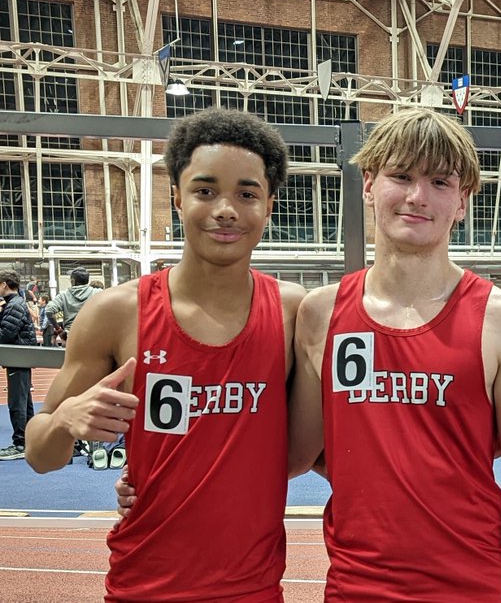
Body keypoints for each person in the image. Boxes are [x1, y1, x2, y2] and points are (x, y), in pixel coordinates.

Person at [24, 107, 305, 601]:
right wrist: (66, 418)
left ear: (270, 205)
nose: (225, 209)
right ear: (175, 197)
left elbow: (310, 448)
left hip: (255, 588)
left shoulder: (294, 313)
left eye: (246, 193)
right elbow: (39, 455)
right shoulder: (116, 313)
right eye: (205, 190)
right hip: (143, 584)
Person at [286, 107, 501, 601]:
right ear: (368, 184)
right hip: (356, 587)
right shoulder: (321, 314)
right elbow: (293, 456)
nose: (416, 196)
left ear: (463, 201)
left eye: (439, 181)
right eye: (401, 176)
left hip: (473, 585)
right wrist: (159, 481)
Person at [0, 270, 37, 460]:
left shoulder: (14, 305)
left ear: (5, 284)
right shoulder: (13, 304)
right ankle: (27, 441)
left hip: (18, 357)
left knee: (17, 402)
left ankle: (20, 443)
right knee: (23, 401)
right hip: (19, 357)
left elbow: (5, 334)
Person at [42, 267, 99, 331]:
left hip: (71, 334)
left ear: (73, 281)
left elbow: (49, 310)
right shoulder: (97, 293)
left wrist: (58, 329)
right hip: (92, 333)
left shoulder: (64, 295)